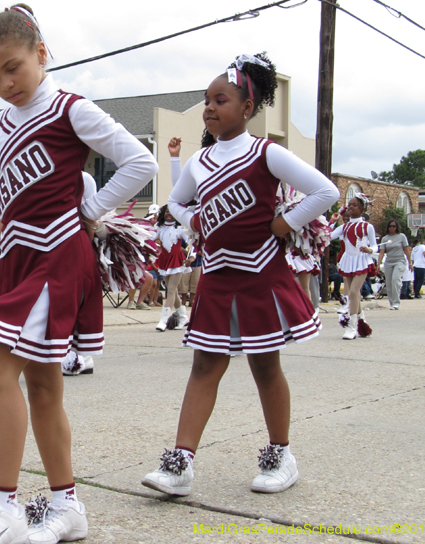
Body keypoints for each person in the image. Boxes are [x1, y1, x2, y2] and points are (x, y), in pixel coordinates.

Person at [0, 4, 157, 544]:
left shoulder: (71, 109)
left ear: (41, 53)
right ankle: (67, 508)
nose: (4, 83)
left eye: (13, 67)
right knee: (42, 385)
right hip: (18, 259)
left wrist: (89, 212)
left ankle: (3, 510)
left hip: (57, 256)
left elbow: (140, 163)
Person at [142, 53, 338, 499]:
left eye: (221, 99)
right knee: (204, 364)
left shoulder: (267, 153)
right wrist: (198, 223)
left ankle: (280, 455)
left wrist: (286, 224)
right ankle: (180, 463)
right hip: (216, 276)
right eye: (206, 101)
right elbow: (176, 204)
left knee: (265, 365)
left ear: (247, 108)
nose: (210, 108)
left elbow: (324, 191)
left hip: (259, 276)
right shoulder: (199, 162)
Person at [330, 195, 377, 339]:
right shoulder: (344, 226)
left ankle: (351, 327)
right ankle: (362, 324)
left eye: (354, 205)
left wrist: (370, 250)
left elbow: (374, 245)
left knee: (354, 292)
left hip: (362, 261)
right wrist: (333, 221)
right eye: (349, 204)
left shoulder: (367, 226)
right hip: (348, 261)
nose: (350, 207)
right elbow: (328, 236)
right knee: (352, 294)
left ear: (362, 208)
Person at [154, 204, 189, 331]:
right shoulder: (159, 227)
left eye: (171, 212)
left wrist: (192, 256)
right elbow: (150, 238)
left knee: (171, 290)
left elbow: (192, 243)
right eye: (166, 212)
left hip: (177, 260)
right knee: (171, 290)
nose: (169, 214)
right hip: (164, 260)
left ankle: (162, 321)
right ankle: (183, 317)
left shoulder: (180, 229)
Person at [377, 219, 411, 310]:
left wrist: (410, 262)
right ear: (388, 228)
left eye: (394, 226)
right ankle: (392, 303)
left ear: (397, 227)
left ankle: (396, 302)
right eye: (390, 226)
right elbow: (381, 252)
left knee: (395, 280)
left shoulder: (401, 237)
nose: (392, 228)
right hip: (389, 262)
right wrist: (378, 264)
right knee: (389, 283)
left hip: (399, 261)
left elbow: (406, 250)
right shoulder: (385, 238)